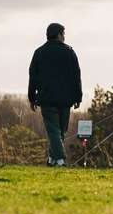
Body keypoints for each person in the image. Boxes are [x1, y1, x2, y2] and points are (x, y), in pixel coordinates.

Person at [28, 22, 82, 167]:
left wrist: (32, 98)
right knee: (59, 131)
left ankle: (53, 159)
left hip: (47, 98)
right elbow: (76, 76)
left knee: (54, 131)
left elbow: (33, 76)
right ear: (59, 34)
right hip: (65, 99)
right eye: (63, 34)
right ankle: (60, 159)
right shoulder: (69, 52)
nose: (64, 37)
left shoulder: (39, 52)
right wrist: (78, 97)